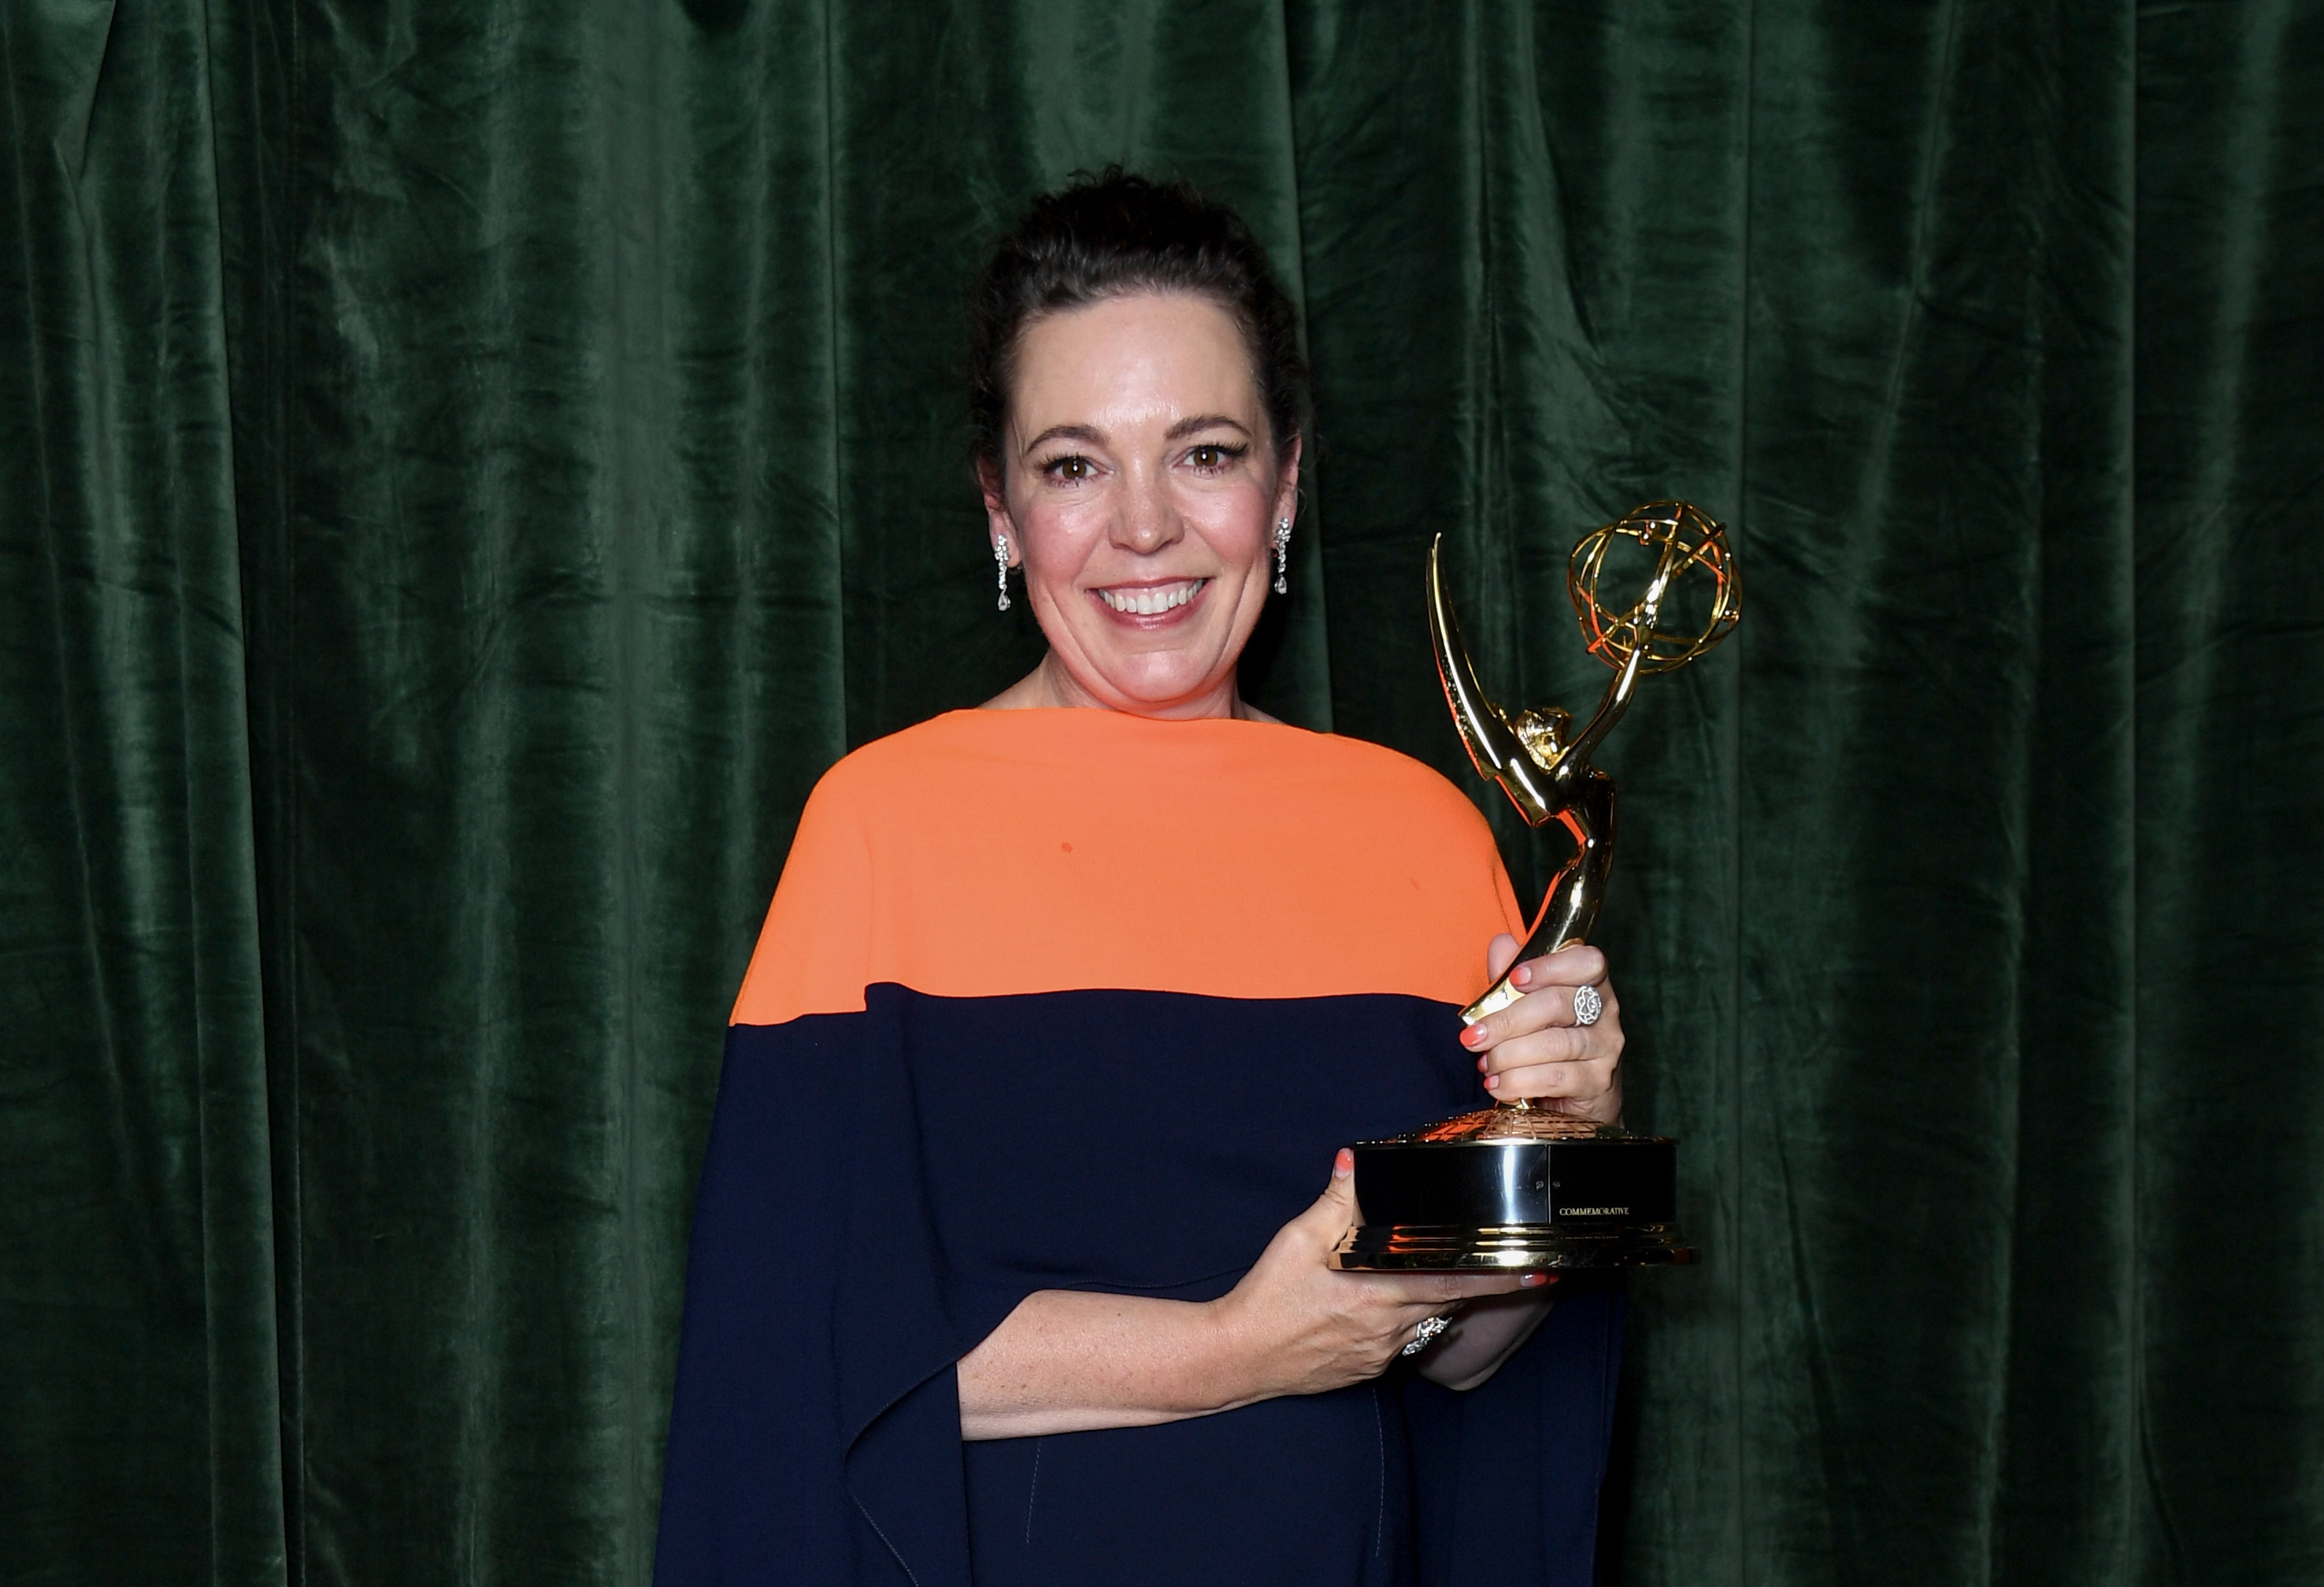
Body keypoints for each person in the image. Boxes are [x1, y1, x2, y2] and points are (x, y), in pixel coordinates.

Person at [653, 171, 1629, 1587]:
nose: (1146, 528)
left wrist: (1565, 1147)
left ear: (1286, 482)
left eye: (1206, 452)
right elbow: (799, 1366)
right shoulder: (880, 825)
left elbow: (1473, 1357)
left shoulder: (1421, 829)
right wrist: (1235, 1349)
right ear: (998, 510)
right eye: (1073, 464)